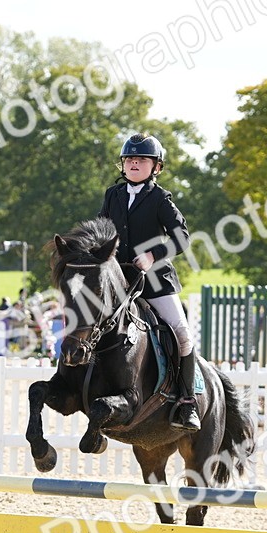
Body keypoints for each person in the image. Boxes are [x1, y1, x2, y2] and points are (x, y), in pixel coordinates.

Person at [97, 132, 199, 430]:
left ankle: (187, 401)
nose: (134, 164)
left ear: (156, 167)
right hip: (119, 282)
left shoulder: (160, 198)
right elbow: (101, 229)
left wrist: (153, 255)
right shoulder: (112, 195)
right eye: (129, 159)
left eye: (141, 160)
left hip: (155, 282)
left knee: (182, 333)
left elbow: (182, 238)